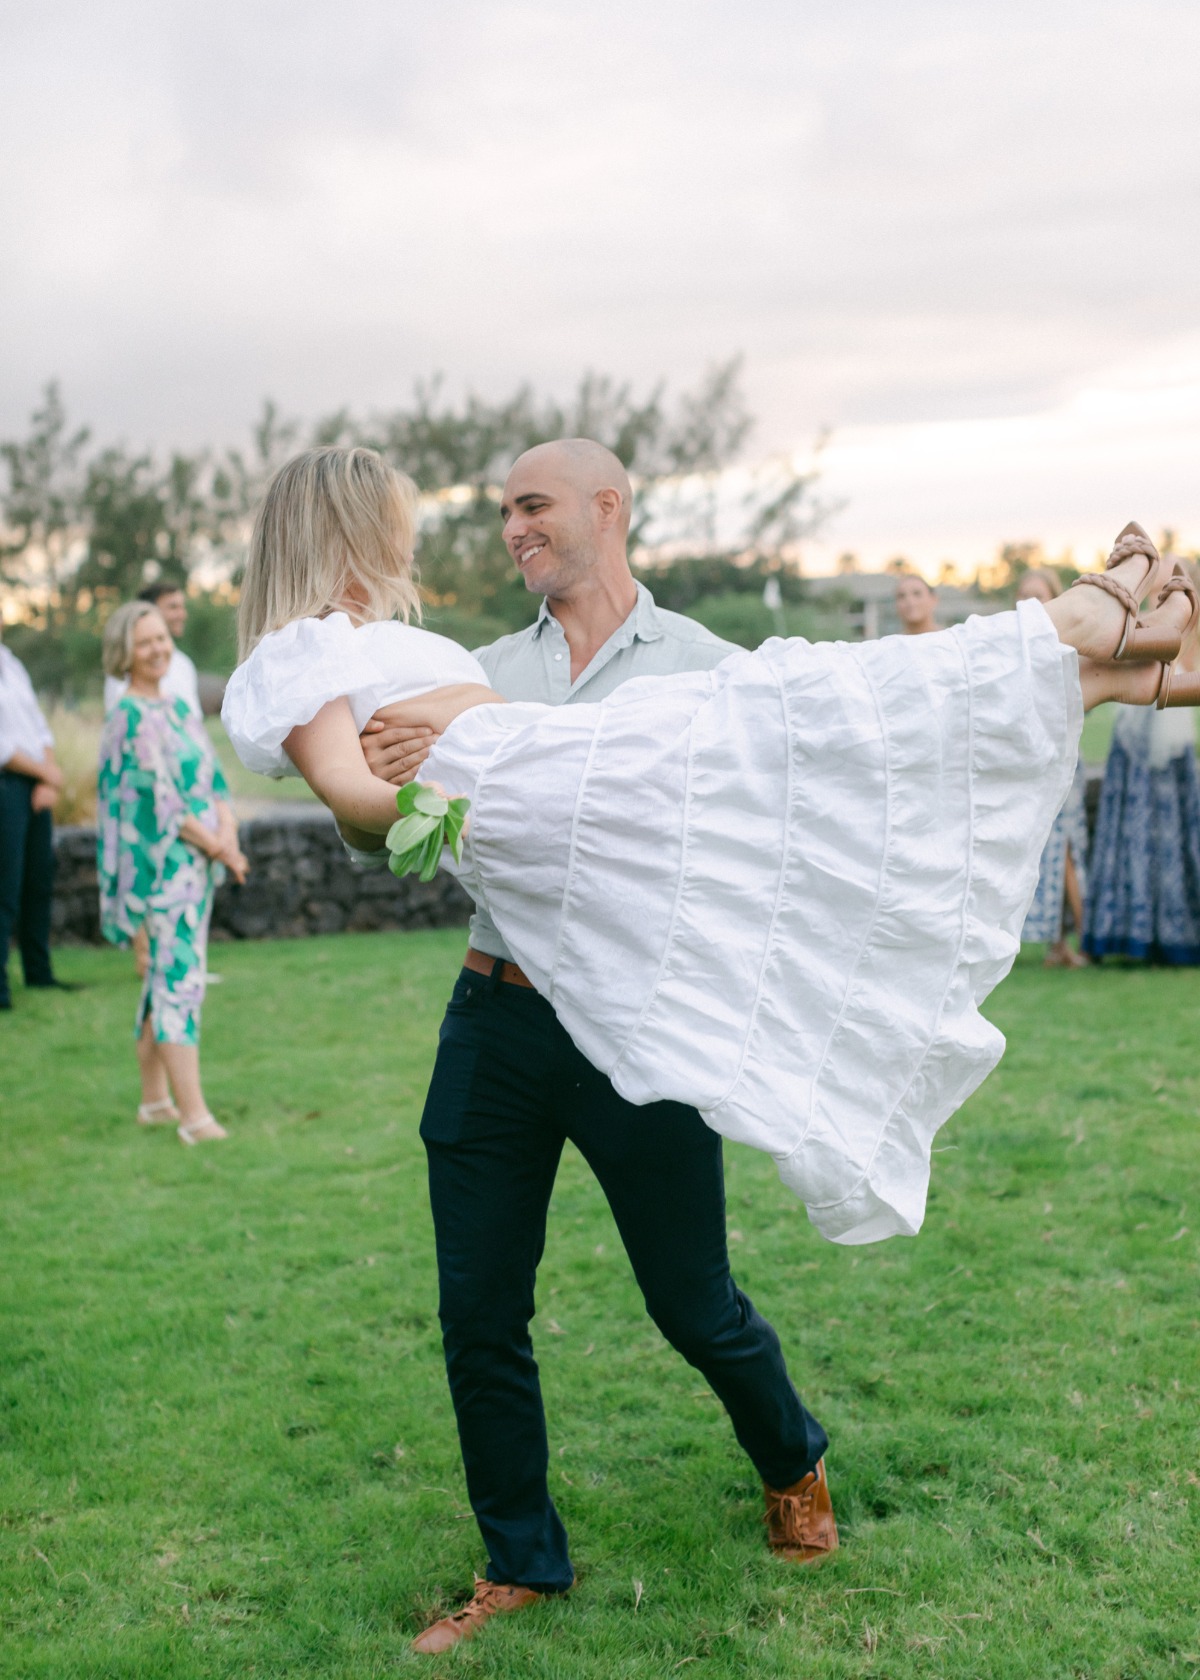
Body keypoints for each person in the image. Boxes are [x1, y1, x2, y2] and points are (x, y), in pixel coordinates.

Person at [222, 447, 1199, 1650]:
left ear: (605, 511)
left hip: (645, 1019)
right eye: (507, 513)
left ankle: (791, 1457)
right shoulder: (467, 666)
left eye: (535, 507)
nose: (515, 529)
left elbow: (818, 778)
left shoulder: (710, 670)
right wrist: (429, 757)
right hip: (502, 1013)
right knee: (479, 1306)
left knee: (692, 1301)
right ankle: (520, 1561)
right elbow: (383, 824)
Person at [98, 602, 248, 1141]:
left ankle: (155, 1102)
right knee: (179, 983)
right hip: (163, 875)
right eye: (145, 643)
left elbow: (212, 781)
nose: (158, 649)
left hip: (198, 868)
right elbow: (162, 805)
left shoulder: (180, 710)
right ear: (124, 654)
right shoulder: (129, 718)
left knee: (163, 979)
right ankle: (194, 1117)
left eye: (161, 638)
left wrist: (226, 828)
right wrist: (222, 849)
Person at [1083, 558, 1200, 964]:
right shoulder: (1133, 623)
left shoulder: (1195, 635)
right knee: (1126, 837)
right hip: (1130, 752)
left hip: (1174, 758)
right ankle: (1120, 933)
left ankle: (1175, 936)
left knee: (1173, 841)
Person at [0, 624, 79, 1009]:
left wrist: (48, 778)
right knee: (5, 888)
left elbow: (37, 726)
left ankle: (39, 973)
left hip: (34, 784)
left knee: (38, 880)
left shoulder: (10, 662)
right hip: (6, 783)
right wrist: (44, 773)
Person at [1015, 568, 1090, 967]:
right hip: (1032, 765)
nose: (1031, 604)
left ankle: (1084, 940)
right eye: (1024, 596)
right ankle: (1062, 944)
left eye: (1039, 595)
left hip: (1064, 762)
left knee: (1065, 851)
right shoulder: (1013, 649)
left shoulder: (1069, 646)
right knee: (1048, 853)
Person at [104, 580, 201, 718]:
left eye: (161, 639)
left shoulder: (184, 664)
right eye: (173, 607)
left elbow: (194, 719)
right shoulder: (125, 674)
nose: (182, 615)